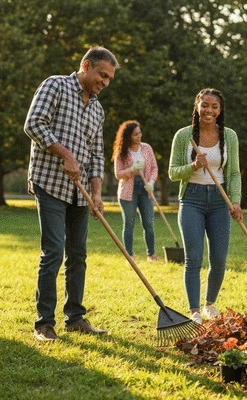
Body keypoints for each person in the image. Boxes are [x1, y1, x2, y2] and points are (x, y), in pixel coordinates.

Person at [24, 46, 119, 341]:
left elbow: (96, 154)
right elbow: (34, 124)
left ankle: (75, 318)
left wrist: (97, 193)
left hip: (80, 194)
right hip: (50, 182)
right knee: (53, 251)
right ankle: (44, 324)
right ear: (86, 65)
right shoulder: (55, 85)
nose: (104, 82)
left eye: (109, 79)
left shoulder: (98, 109)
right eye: (102, 75)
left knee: (78, 253)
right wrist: (66, 155)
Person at [168, 88, 242, 325]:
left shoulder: (229, 136)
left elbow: (233, 174)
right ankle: (194, 310)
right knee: (194, 258)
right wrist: (192, 166)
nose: (209, 110)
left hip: (220, 201)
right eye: (205, 105)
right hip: (192, 200)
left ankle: (209, 304)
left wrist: (236, 201)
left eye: (215, 106)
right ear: (197, 106)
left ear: (220, 110)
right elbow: (172, 173)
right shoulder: (183, 136)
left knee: (219, 258)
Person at [111, 120, 159, 262]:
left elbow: (154, 168)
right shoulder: (121, 153)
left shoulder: (147, 148)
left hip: (146, 189)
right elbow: (118, 174)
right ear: (128, 136)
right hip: (128, 191)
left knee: (149, 223)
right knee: (129, 223)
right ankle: (129, 255)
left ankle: (151, 254)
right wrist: (131, 170)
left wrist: (151, 182)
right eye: (135, 134)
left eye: (140, 133)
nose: (139, 136)